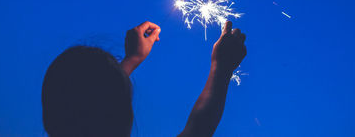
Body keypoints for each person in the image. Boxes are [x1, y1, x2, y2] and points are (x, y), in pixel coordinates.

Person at [42, 21, 246, 137]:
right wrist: (222, 67)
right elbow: (199, 129)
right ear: (121, 116)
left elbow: (97, 96)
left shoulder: (71, 119)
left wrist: (132, 58)